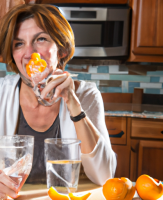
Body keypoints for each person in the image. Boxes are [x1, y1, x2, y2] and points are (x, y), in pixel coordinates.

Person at [0, 4, 117, 199]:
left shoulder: (86, 95)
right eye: (18, 44)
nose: (29, 54)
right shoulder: (1, 94)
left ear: (61, 49)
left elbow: (105, 176)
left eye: (41, 39)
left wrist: (73, 104)